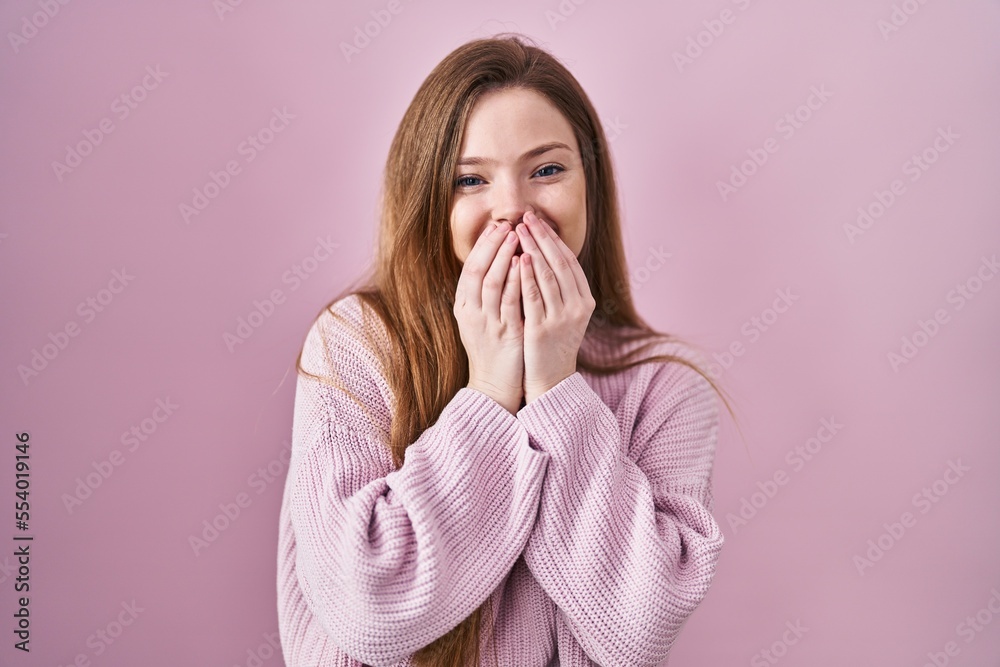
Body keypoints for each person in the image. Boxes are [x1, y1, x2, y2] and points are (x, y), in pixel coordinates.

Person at [277, 33, 734, 667]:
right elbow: (365, 610)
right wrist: (491, 391)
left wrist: (554, 386)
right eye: (470, 179)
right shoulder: (353, 344)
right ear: (428, 201)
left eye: (547, 170)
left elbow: (640, 627)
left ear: (589, 185)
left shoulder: (664, 385)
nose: (513, 210)